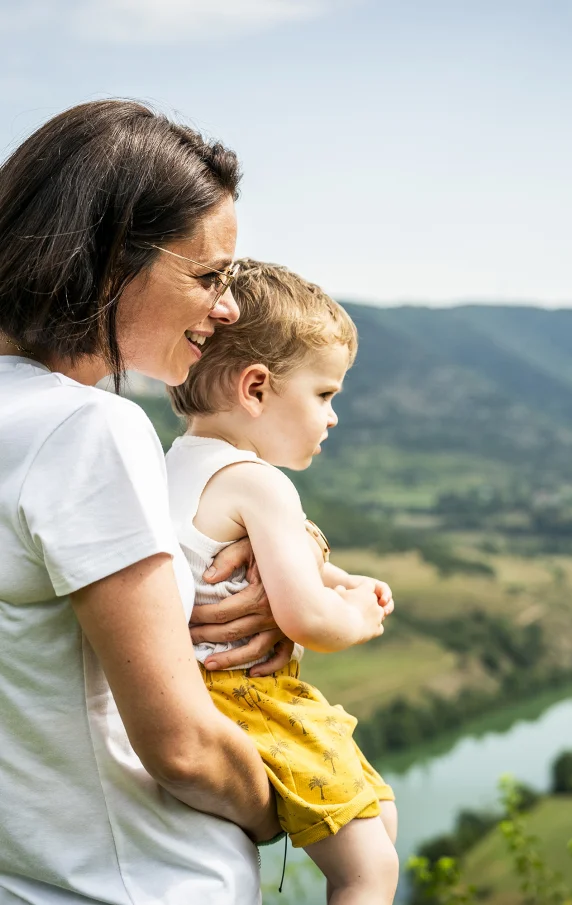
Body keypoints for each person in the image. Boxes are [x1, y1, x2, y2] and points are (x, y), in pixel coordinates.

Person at [0, 99, 328, 904]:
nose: (228, 308)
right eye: (209, 275)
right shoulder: (88, 428)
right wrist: (288, 804)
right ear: (111, 259)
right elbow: (181, 747)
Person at [166, 260, 400, 904]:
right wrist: (359, 615)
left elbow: (268, 564)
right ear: (257, 388)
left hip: (189, 694)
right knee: (368, 872)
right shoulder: (259, 481)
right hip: (248, 703)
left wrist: (342, 576)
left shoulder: (175, 464)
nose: (331, 418)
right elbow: (304, 619)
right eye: (324, 395)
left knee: (380, 819)